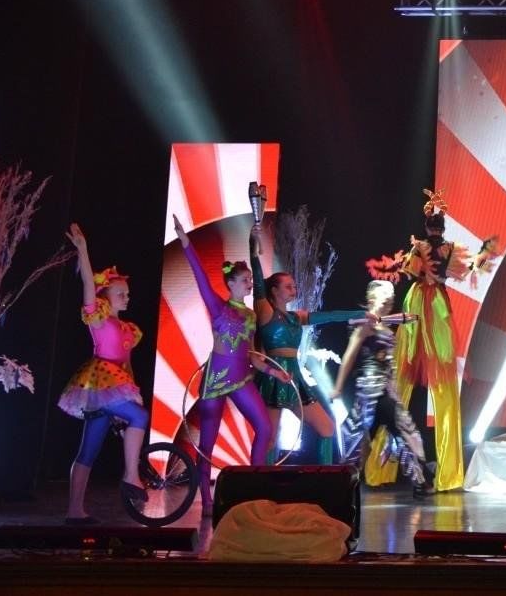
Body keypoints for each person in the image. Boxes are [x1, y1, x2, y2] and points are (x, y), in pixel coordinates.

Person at [394, 189, 497, 492]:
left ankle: (380, 468)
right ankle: (449, 474)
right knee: (441, 380)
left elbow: (409, 271)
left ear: (428, 227)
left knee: (405, 374)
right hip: (437, 304)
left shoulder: (420, 247)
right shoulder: (450, 248)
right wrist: (482, 254)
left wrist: (416, 259)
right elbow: (468, 268)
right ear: (442, 228)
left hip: (419, 303)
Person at [173, 212, 274, 512]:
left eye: (250, 280)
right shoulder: (217, 306)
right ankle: (206, 499)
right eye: (245, 280)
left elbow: (252, 353)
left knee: (264, 427)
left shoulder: (251, 315)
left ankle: (256, 488)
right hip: (216, 380)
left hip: (242, 377)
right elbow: (199, 277)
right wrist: (185, 241)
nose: (250, 284)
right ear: (231, 283)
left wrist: (274, 371)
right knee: (207, 445)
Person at [56, 223, 148, 524]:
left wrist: (132, 393)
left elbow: (127, 366)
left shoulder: (128, 329)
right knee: (139, 418)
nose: (127, 297)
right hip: (98, 383)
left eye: (127, 294)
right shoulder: (98, 319)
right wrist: (83, 251)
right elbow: (87, 282)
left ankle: (74, 511)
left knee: (89, 450)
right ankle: (131, 475)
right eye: (121, 293)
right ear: (105, 296)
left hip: (115, 387)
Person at [254, 270, 367, 464]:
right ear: (274, 290)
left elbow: (330, 316)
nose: (293, 290)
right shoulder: (266, 312)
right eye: (288, 287)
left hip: (295, 379)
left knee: (327, 428)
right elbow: (258, 284)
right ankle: (261, 479)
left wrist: (361, 314)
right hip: (273, 380)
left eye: (294, 286)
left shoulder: (296, 317)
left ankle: (323, 478)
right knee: (270, 438)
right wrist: (254, 254)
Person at [339, 278, 429, 494]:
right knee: (359, 438)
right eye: (384, 295)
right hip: (368, 392)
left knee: (403, 431)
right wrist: (338, 387)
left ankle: (420, 480)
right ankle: (344, 481)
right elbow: (349, 357)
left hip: (386, 392)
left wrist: (394, 390)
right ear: (372, 299)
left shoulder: (385, 326)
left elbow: (389, 365)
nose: (390, 299)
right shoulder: (365, 326)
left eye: (391, 297)